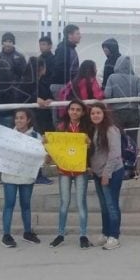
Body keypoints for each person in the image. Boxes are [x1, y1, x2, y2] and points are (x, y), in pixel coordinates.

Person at [0, 109, 43, 247]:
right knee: (9, 204)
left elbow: (40, 153)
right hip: (10, 175)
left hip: (26, 175)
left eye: (22, 118)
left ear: (28, 120)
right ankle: (6, 234)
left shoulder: (36, 136)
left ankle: (27, 232)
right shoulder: (7, 135)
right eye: (17, 118)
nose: (19, 121)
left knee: (26, 204)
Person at [49, 100, 92, 249]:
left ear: (82, 112)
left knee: (81, 203)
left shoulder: (88, 127)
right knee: (64, 202)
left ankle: (83, 235)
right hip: (65, 170)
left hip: (81, 170)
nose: (74, 112)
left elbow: (91, 148)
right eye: (72, 109)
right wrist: (47, 142)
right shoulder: (61, 127)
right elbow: (56, 147)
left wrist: (89, 143)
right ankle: (60, 234)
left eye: (78, 110)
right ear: (67, 111)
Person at [87, 102, 124, 250]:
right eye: (93, 113)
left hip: (111, 173)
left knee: (111, 205)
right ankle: (105, 233)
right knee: (104, 206)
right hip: (97, 172)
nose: (95, 115)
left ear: (104, 114)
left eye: (98, 113)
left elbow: (115, 154)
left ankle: (114, 236)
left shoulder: (111, 130)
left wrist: (106, 174)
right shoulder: (92, 130)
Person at [104, 55, 140, 179]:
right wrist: (136, 101)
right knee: (132, 142)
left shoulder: (112, 77)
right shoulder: (135, 78)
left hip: (117, 114)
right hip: (133, 113)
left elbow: (107, 94)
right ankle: (130, 169)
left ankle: (118, 169)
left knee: (116, 141)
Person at [16, 57, 55, 185]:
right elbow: (22, 96)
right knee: (35, 147)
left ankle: (36, 173)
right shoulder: (28, 82)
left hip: (38, 118)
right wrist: (36, 99)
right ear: (41, 68)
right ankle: (36, 174)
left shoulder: (37, 81)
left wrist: (48, 100)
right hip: (34, 120)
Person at [50, 24, 81, 91]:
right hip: (62, 86)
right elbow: (60, 68)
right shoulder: (63, 49)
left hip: (66, 85)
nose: (80, 36)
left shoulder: (70, 48)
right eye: (77, 34)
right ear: (70, 35)